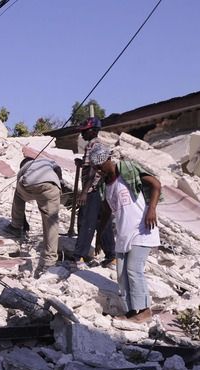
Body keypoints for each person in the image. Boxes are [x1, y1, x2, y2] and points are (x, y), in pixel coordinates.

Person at [89, 145, 162, 323]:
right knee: (122, 275)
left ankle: (144, 311)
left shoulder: (127, 170)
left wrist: (152, 209)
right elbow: (106, 211)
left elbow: (156, 184)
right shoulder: (105, 186)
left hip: (142, 228)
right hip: (123, 234)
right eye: (96, 169)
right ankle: (130, 311)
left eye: (100, 166)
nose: (99, 171)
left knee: (134, 270)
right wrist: (99, 236)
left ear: (108, 160)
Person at [3, 157, 62, 277]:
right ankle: (49, 261)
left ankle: (15, 225)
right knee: (51, 223)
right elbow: (58, 169)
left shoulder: (24, 169)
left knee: (18, 195)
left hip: (29, 184)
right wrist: (58, 181)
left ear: (24, 164)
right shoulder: (46, 161)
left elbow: (20, 201)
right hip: (51, 186)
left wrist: (22, 222)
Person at [72, 117, 115, 269]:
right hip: (99, 189)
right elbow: (89, 165)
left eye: (85, 131)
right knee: (101, 222)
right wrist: (81, 162)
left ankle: (79, 257)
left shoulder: (93, 145)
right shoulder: (95, 145)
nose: (82, 135)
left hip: (92, 189)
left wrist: (84, 192)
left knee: (86, 222)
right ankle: (111, 256)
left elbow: (92, 171)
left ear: (93, 131)